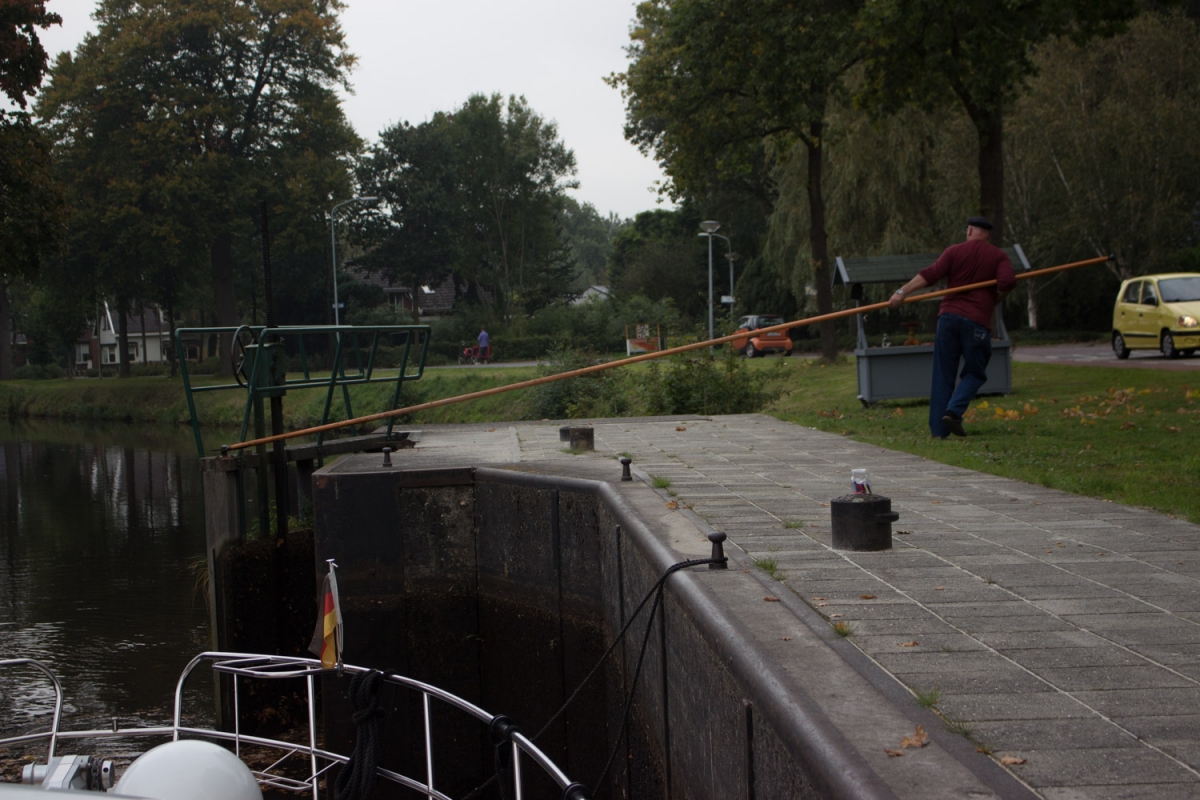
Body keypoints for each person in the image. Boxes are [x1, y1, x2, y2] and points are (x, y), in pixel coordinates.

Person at [888, 216, 1016, 439]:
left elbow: (930, 275)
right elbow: (1007, 282)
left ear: (969, 231)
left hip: (947, 319)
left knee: (942, 376)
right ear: (988, 235)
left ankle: (939, 432)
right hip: (976, 322)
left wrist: (902, 292)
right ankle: (954, 411)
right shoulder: (998, 256)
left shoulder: (954, 251)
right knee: (975, 373)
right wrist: (993, 299)